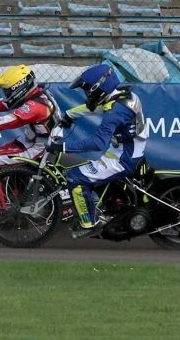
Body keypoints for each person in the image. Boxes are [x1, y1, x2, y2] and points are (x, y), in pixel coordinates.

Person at [49, 62, 148, 237]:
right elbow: (95, 106)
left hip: (122, 159)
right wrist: (70, 115)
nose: (87, 94)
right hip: (129, 151)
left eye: (87, 90)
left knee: (75, 177)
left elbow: (97, 143)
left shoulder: (115, 113)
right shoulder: (124, 96)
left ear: (97, 88)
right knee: (87, 170)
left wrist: (63, 147)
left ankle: (89, 223)